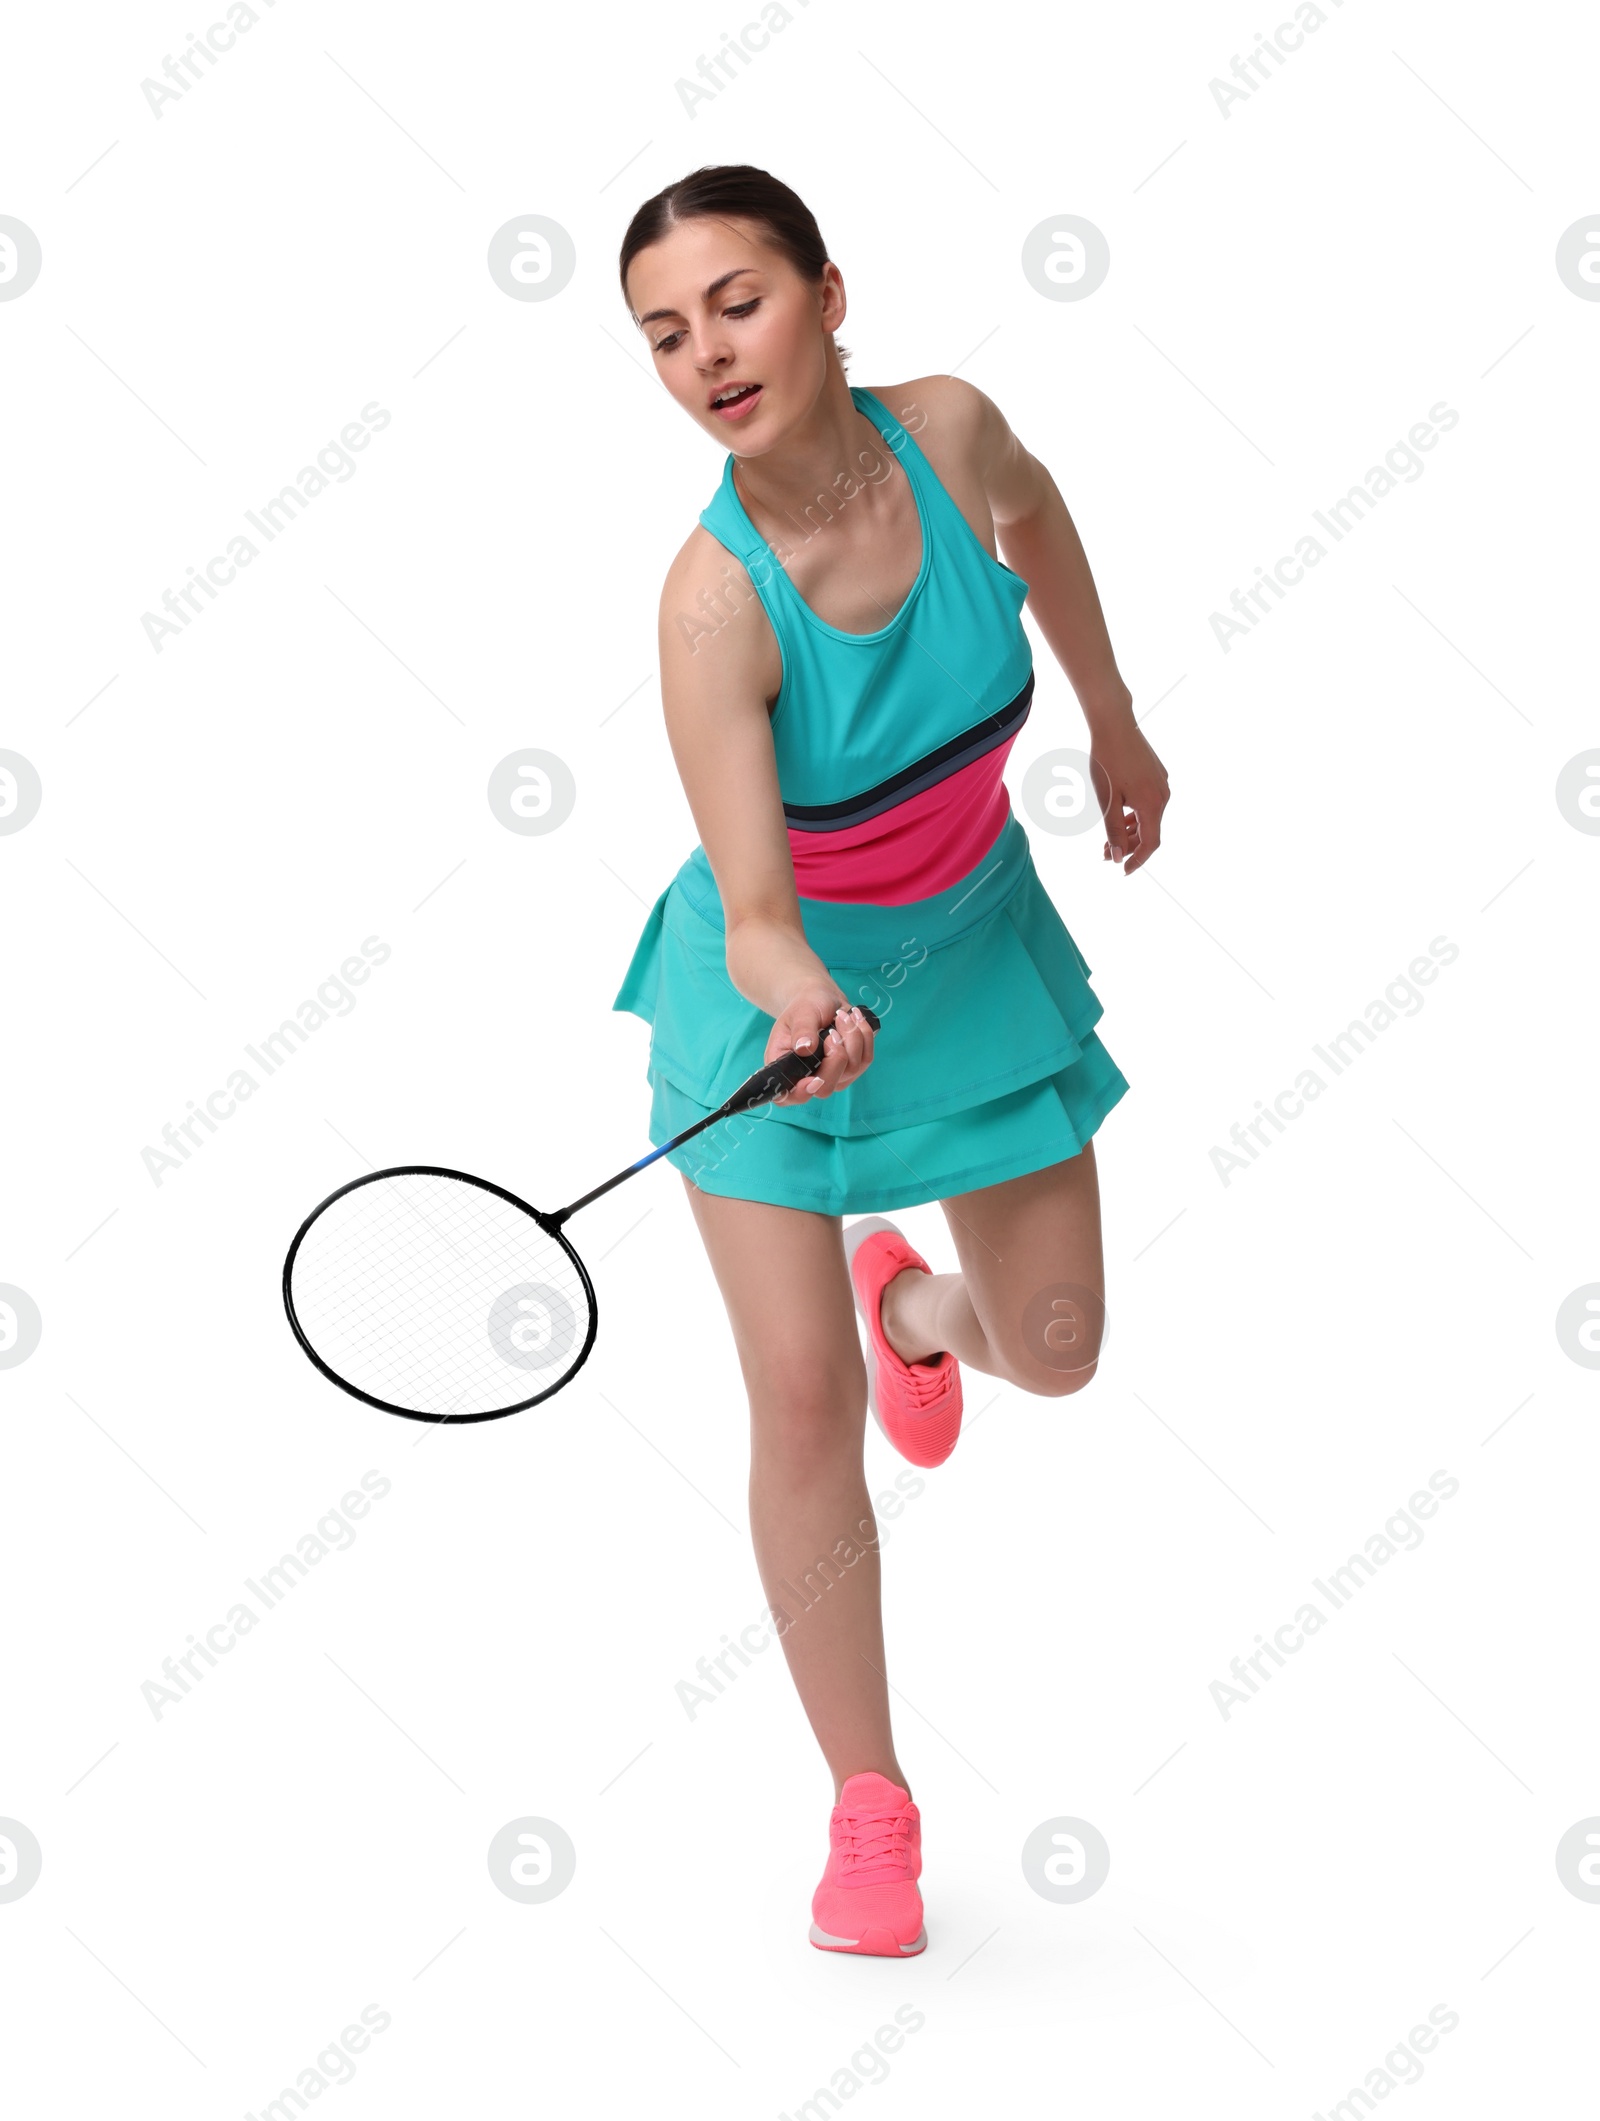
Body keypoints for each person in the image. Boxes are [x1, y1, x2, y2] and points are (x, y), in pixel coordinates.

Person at [612, 164, 1169, 1957]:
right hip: (776, 1011)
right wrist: (789, 998)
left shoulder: (948, 429)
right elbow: (758, 900)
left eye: (738, 303)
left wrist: (1114, 711)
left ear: (829, 291)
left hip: (975, 950)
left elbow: (1046, 523)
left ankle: (916, 1311)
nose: (707, 353)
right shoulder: (713, 609)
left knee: (1064, 1357)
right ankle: (870, 1804)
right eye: (665, 334)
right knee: (797, 1400)